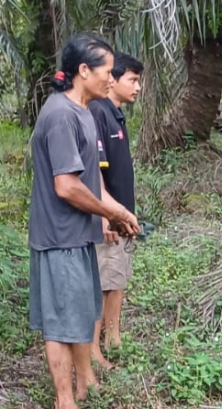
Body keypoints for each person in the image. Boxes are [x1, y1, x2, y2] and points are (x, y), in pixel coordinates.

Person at [28, 33, 140, 409]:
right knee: (61, 322)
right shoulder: (60, 115)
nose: (111, 78)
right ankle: (65, 400)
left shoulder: (85, 113)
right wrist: (109, 212)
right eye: (107, 71)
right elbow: (67, 187)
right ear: (83, 71)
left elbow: (91, 182)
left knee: (80, 312)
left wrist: (120, 212)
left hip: (79, 235)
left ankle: (83, 385)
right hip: (58, 237)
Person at [88, 52, 142, 369]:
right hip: (108, 218)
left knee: (117, 280)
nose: (137, 87)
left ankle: (113, 339)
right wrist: (106, 215)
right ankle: (94, 351)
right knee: (103, 283)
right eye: (132, 80)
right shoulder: (98, 113)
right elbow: (95, 173)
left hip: (121, 217)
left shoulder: (116, 115)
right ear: (114, 79)